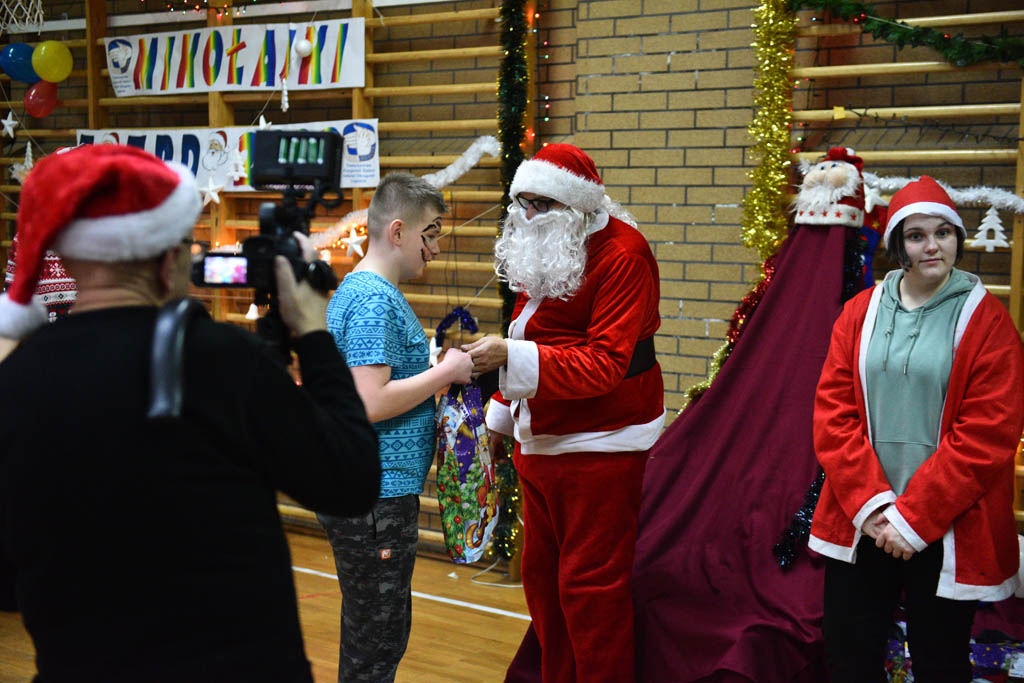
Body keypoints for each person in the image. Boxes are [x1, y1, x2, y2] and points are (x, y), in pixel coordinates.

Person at [0, 144, 381, 682]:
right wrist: (314, 336)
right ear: (164, 260)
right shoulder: (218, 360)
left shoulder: (15, 379)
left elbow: (7, 585)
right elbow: (350, 480)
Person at [808, 176, 1024, 682]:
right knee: (848, 652)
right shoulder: (858, 314)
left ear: (957, 240)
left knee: (940, 660)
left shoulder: (988, 320)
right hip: (867, 515)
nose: (932, 246)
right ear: (898, 245)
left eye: (944, 233)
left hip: (947, 520)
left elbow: (988, 431)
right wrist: (878, 508)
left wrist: (914, 518)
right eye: (917, 235)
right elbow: (833, 414)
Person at [464, 144, 664, 683]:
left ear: (572, 204)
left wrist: (507, 361)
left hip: (601, 443)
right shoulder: (550, 240)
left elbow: (604, 364)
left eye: (537, 204)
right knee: (545, 585)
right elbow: (532, 331)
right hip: (541, 440)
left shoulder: (624, 255)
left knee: (591, 592)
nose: (524, 216)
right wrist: (502, 415)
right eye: (520, 202)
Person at [317, 172, 474, 682]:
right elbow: (369, 401)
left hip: (375, 494)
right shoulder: (373, 299)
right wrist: (444, 373)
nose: (434, 247)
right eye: (430, 233)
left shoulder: (367, 292)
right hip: (375, 500)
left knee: (375, 639)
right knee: (376, 649)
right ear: (398, 231)